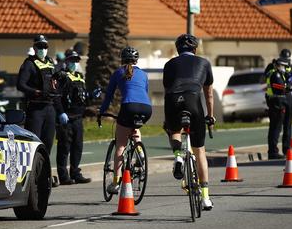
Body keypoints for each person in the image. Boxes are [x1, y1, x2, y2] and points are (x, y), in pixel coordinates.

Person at [163, 34, 215, 210]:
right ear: (195, 49)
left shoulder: (169, 64)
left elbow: (167, 90)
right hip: (193, 100)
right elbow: (208, 94)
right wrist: (210, 116)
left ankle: (178, 156)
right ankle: (205, 197)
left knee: (174, 131)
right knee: (199, 151)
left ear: (178, 50)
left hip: (172, 101)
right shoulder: (204, 63)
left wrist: (168, 120)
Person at [99, 46, 152, 194]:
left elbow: (109, 95)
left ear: (122, 59)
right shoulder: (144, 74)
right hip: (146, 108)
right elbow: (143, 93)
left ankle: (116, 183)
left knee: (120, 146)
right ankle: (139, 150)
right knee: (135, 128)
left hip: (128, 106)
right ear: (137, 60)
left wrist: (101, 112)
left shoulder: (118, 73)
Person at [17, 35, 65, 156]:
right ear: (34, 47)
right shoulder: (29, 64)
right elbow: (20, 85)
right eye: (39, 46)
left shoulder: (50, 63)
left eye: (44, 47)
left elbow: (55, 86)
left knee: (48, 142)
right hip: (36, 108)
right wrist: (35, 92)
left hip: (50, 108)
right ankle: (33, 171)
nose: (42, 49)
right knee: (34, 143)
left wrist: (60, 111)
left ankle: (44, 172)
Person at [55, 50, 91, 185]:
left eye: (76, 61)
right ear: (66, 62)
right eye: (71, 61)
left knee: (77, 147)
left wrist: (91, 96)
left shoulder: (80, 76)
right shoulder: (62, 76)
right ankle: (63, 176)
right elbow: (57, 97)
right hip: (66, 118)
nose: (74, 63)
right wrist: (60, 113)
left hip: (78, 118)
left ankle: (75, 173)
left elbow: (82, 96)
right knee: (64, 147)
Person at [265, 57, 292, 159]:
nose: (285, 68)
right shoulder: (275, 74)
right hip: (276, 102)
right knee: (276, 127)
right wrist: (287, 88)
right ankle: (273, 151)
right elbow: (278, 86)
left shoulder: (282, 74)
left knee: (282, 126)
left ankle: (282, 149)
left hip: (279, 101)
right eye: (283, 66)